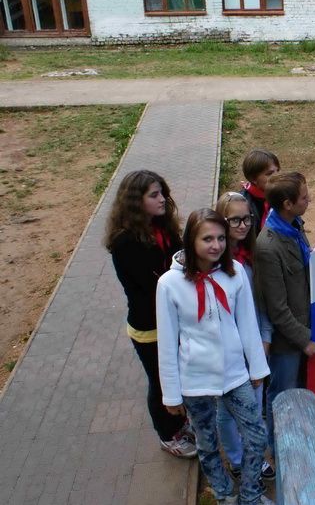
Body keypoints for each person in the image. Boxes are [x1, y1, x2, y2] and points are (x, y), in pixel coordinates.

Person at [157, 209, 272, 505]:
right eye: (207, 239)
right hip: (195, 378)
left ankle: (250, 495)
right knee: (207, 443)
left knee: (256, 436)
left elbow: (248, 323)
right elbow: (167, 343)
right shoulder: (169, 284)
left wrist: (257, 368)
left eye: (221, 238)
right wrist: (171, 394)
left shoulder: (235, 272)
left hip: (235, 373)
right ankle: (224, 494)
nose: (216, 245)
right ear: (191, 240)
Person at [104, 170, 196, 459]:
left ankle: (180, 422)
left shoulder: (162, 227)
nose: (163, 199)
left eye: (163, 193)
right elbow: (155, 282)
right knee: (161, 381)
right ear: (136, 201)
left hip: (172, 320)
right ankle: (168, 435)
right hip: (150, 327)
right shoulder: (125, 242)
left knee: (176, 376)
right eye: (154, 195)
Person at [214, 192, 275, 481]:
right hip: (226, 351)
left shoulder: (251, 256)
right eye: (235, 220)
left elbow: (261, 303)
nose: (243, 225)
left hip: (254, 346)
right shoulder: (214, 263)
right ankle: (237, 461)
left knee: (254, 404)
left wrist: (265, 339)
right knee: (227, 411)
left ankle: (255, 457)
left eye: (247, 218)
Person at [256, 172, 315, 456]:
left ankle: (300, 437)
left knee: (301, 392)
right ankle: (278, 448)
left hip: (303, 329)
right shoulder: (268, 248)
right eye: (304, 197)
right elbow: (277, 309)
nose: (309, 200)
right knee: (281, 395)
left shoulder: (294, 225)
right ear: (287, 204)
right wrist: (304, 340)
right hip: (288, 342)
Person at [241, 149, 281, 231]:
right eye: (269, 173)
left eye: (278, 170)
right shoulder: (245, 205)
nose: (277, 176)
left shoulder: (281, 193)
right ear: (253, 179)